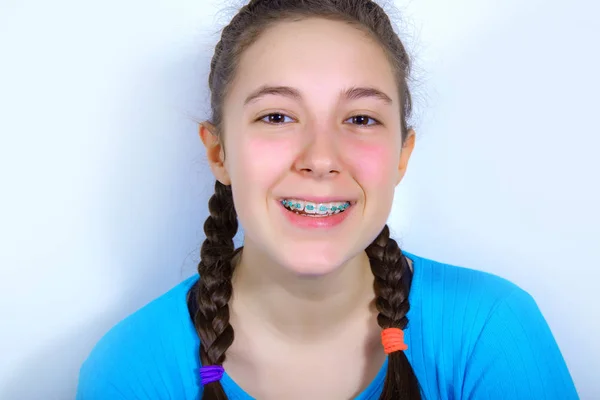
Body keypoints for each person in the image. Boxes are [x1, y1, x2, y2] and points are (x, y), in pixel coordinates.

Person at [76, 0, 578, 399]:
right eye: (276, 116)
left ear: (402, 156)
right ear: (219, 152)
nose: (320, 158)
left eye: (361, 118)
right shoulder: (132, 368)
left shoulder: (491, 332)